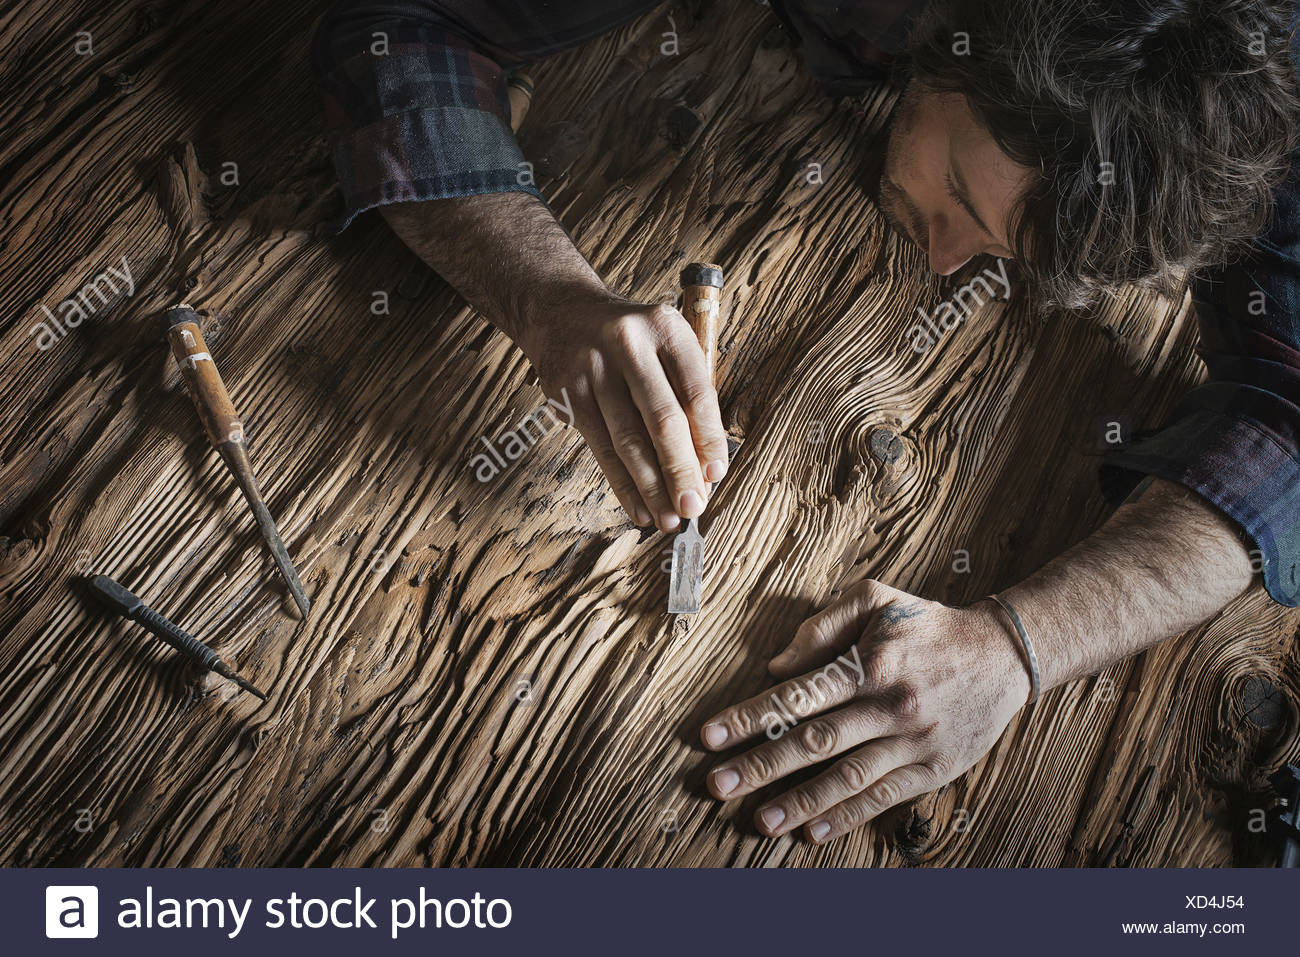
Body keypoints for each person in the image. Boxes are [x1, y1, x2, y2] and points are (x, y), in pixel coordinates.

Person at [313, 0, 1300, 845]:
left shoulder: (1268, 102)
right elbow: (396, 32)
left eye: (1003, 251)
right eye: (958, 196)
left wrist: (1016, 647)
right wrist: (548, 297)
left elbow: (1288, 422)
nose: (945, 263)